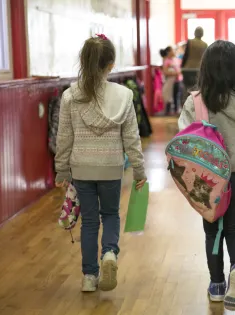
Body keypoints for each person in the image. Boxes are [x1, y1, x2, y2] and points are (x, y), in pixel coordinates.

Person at [178, 40, 235, 311]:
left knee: (212, 231)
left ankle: (217, 285)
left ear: (205, 68)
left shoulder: (196, 102)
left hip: (208, 179)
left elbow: (183, 141)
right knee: (234, 229)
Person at [55, 34, 146, 292]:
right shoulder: (124, 95)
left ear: (83, 62)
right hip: (111, 167)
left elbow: (64, 137)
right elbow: (131, 137)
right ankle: (109, 254)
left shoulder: (70, 96)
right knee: (110, 215)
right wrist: (139, 169)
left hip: (82, 168)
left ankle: (88, 277)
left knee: (90, 222)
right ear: (111, 65)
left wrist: (62, 168)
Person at [181, 27, 208, 103]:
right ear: (202, 34)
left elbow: (186, 55)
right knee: (197, 89)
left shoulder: (190, 42)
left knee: (186, 88)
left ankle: (184, 104)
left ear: (194, 33)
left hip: (187, 68)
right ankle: (195, 105)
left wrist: (182, 66)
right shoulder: (205, 44)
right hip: (198, 69)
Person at [160, 46, 181, 115]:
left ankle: (176, 112)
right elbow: (165, 72)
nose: (174, 51)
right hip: (170, 83)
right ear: (168, 52)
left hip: (177, 81)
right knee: (169, 97)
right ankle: (168, 113)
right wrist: (176, 73)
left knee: (176, 97)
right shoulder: (167, 61)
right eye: (172, 50)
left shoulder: (174, 60)